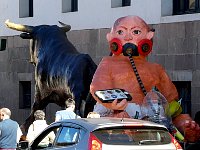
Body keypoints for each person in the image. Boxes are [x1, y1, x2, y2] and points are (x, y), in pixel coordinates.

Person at [90, 15, 200, 142]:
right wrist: (113, 106)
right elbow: (98, 87)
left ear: (149, 36)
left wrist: (181, 122)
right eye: (121, 32)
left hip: (152, 124)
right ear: (111, 37)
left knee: (182, 120)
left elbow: (171, 104)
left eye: (135, 32)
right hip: (118, 116)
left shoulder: (156, 69)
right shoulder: (107, 63)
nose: (128, 37)